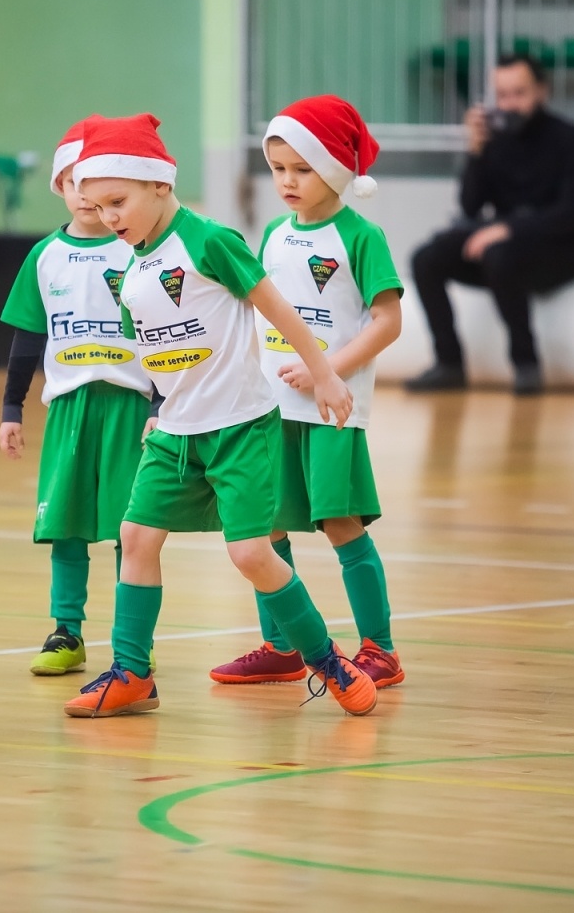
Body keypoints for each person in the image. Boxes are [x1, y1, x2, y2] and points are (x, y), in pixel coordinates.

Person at [63, 113, 378, 719]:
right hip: (176, 435)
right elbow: (159, 356)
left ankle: (326, 660)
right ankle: (131, 673)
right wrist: (158, 409)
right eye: (97, 207)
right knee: (135, 537)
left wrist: (324, 373)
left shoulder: (209, 241)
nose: (109, 218)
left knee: (251, 556)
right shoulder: (131, 273)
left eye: (118, 201)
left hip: (240, 429)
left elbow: (276, 306)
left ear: (159, 184)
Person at [209, 95, 406, 689]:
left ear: (338, 169)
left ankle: (382, 648)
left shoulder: (360, 236)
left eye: (303, 168)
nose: (287, 182)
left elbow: (388, 322)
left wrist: (327, 369)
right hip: (267, 410)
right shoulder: (270, 234)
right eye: (278, 169)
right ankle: (284, 645)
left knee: (342, 525)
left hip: (331, 410)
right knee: (265, 525)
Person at [0, 116, 157, 677]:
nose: (85, 195)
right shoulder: (44, 256)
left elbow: (166, 330)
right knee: (64, 523)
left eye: (97, 183)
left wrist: (162, 405)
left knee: (131, 526)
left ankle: (131, 637)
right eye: (74, 182)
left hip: (130, 405)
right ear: (62, 189)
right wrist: (12, 407)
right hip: (68, 406)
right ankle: (67, 631)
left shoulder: (139, 252)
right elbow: (27, 337)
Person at [406, 52, 574, 395]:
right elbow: (469, 206)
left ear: (542, 91)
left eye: (519, 93)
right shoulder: (495, 140)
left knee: (498, 254)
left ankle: (526, 364)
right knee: (427, 258)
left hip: (558, 253)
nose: (509, 104)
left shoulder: (572, 139)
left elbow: (573, 214)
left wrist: (507, 230)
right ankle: (448, 363)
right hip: (501, 248)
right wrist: (476, 152)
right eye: (502, 95)